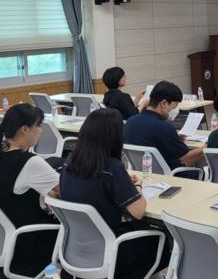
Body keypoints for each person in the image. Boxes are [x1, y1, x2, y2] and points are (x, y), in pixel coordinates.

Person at [60, 108, 169, 279]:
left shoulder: (70, 161)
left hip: (76, 248)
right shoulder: (112, 167)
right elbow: (138, 211)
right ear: (115, 137)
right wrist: (138, 186)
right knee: (162, 239)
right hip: (112, 250)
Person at [0, 104, 60, 277]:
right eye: (39, 126)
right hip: (27, 245)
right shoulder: (30, 162)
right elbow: (68, 190)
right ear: (25, 130)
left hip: (7, 243)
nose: (41, 131)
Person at [123, 81, 204, 177]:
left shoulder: (130, 122)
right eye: (174, 106)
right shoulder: (164, 127)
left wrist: (174, 138)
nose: (175, 110)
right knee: (205, 171)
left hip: (144, 175)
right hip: (174, 176)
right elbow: (187, 159)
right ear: (164, 103)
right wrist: (208, 147)